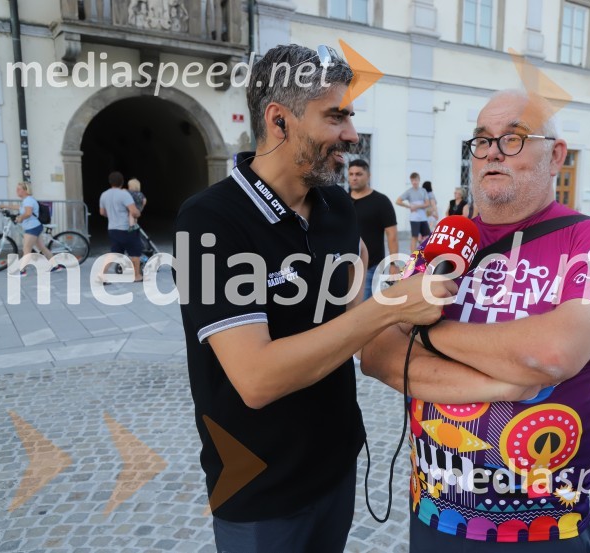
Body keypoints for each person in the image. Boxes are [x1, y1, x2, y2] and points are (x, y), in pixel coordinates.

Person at [173, 44, 454, 553]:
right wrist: (387, 306)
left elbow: (358, 328)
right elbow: (255, 378)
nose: (351, 133)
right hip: (258, 490)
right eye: (336, 116)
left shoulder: (337, 206)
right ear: (279, 121)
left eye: (350, 115)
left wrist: (418, 313)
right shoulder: (209, 221)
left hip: (337, 464)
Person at [363, 90, 590, 552]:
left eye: (513, 139)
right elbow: (378, 355)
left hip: (544, 525)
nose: (491, 154)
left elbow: (551, 353)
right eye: (481, 141)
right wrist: (505, 383)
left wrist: (423, 328)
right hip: (435, 513)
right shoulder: (442, 244)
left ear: (555, 155)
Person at [348, 158, 399, 299]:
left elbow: (392, 235)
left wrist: (393, 264)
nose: (354, 178)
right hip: (345, 265)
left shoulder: (381, 201)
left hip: (371, 267)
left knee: (362, 308)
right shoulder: (343, 200)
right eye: (351, 174)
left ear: (368, 176)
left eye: (358, 174)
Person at [0, 182, 60, 276]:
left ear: (25, 190)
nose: (17, 191)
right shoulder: (27, 200)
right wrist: (5, 206)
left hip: (32, 228)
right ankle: (56, 266)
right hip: (35, 226)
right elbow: (20, 208)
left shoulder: (28, 200)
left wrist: (20, 218)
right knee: (42, 248)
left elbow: (28, 213)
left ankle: (22, 270)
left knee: (26, 249)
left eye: (19, 189)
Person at [99, 171, 143, 282]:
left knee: (114, 252)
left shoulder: (104, 194)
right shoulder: (124, 194)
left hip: (112, 229)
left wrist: (114, 216)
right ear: (122, 182)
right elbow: (133, 212)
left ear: (110, 182)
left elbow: (102, 212)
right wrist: (138, 213)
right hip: (126, 228)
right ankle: (136, 276)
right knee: (135, 251)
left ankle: (101, 275)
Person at [397, 172, 431, 252]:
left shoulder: (423, 191)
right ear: (411, 181)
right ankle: (413, 257)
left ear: (419, 180)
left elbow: (427, 203)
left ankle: (425, 254)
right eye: (412, 180)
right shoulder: (409, 191)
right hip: (414, 218)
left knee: (427, 236)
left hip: (423, 218)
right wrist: (409, 206)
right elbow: (398, 201)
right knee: (414, 237)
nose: (414, 182)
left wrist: (416, 206)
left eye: (416, 180)